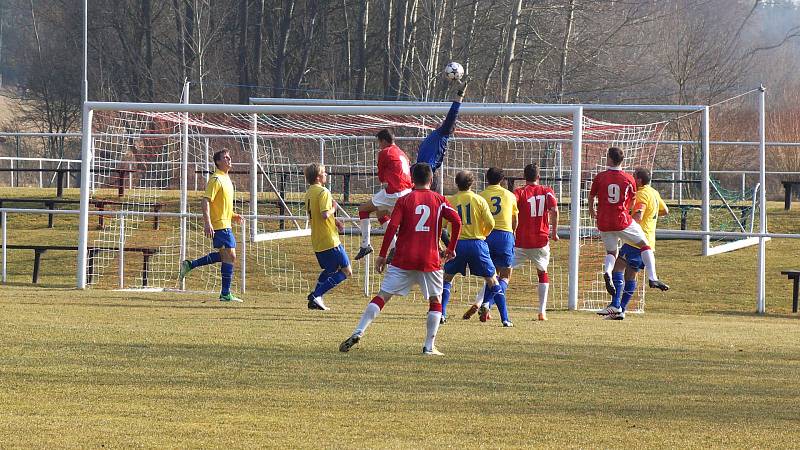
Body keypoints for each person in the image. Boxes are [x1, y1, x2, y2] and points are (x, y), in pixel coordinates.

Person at [339, 162, 462, 356]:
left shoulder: (404, 200)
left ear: (412, 179)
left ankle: (358, 331)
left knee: (382, 297)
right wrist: (451, 248)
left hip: (403, 258)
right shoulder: (440, 200)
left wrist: (381, 256)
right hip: (429, 259)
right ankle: (429, 347)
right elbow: (457, 221)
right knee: (435, 300)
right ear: (431, 179)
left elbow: (392, 227)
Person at [588, 147, 669, 314]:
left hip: (603, 221)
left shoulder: (600, 177)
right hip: (624, 223)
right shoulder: (637, 184)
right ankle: (652, 278)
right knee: (643, 248)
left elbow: (591, 197)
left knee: (612, 253)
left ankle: (607, 276)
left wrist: (592, 211)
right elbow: (637, 205)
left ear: (609, 158)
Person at [440, 170, 513, 327]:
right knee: (493, 280)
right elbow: (491, 223)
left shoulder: (450, 201)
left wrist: (445, 244)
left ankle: (442, 314)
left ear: (456, 183)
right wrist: (483, 234)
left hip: (458, 244)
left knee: (447, 278)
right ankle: (505, 319)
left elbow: (443, 227)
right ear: (472, 183)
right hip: (477, 244)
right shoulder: (479, 200)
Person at [179, 149, 244, 302]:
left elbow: (222, 205)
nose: (229, 159)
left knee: (225, 256)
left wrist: (233, 215)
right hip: (219, 225)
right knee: (231, 256)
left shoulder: (226, 179)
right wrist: (207, 222)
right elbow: (206, 200)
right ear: (218, 162)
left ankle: (191, 264)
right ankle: (225, 294)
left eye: (229, 157)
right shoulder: (216, 179)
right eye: (225, 158)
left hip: (225, 222)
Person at [462, 167, 518, 322]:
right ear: (502, 179)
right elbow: (515, 220)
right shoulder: (510, 195)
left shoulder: (480, 196)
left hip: (486, 236)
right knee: (505, 274)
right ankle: (488, 303)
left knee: (491, 275)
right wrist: (513, 234)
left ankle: (484, 303)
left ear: (487, 179)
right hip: (504, 235)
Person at [354, 129, 413, 261]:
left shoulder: (384, 152)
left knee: (363, 209)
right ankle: (394, 247)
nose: (379, 145)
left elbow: (381, 177)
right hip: (407, 191)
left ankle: (365, 245)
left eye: (379, 142)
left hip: (395, 192)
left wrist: (386, 179)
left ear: (384, 141)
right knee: (381, 214)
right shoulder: (402, 153)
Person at [511, 163, 559, 321]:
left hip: (521, 241)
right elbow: (555, 210)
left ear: (524, 177)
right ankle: (542, 311)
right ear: (538, 177)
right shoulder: (547, 191)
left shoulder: (519, 191)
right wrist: (554, 232)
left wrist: (511, 230)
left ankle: (486, 304)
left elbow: (511, 207)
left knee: (502, 271)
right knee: (542, 273)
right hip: (540, 240)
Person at [304, 163, 352, 311]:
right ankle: (316, 295)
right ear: (318, 177)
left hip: (317, 240)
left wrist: (336, 221)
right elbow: (325, 214)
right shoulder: (323, 192)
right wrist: (334, 208)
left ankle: (316, 299)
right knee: (346, 271)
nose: (326, 175)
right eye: (324, 173)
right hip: (330, 239)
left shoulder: (309, 192)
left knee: (330, 270)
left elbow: (318, 214)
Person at [416, 78, 469, 174]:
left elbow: (453, 114)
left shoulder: (442, 134)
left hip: (425, 175)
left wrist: (460, 94)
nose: (441, 121)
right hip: (421, 174)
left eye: (443, 121)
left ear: (448, 128)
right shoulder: (437, 136)